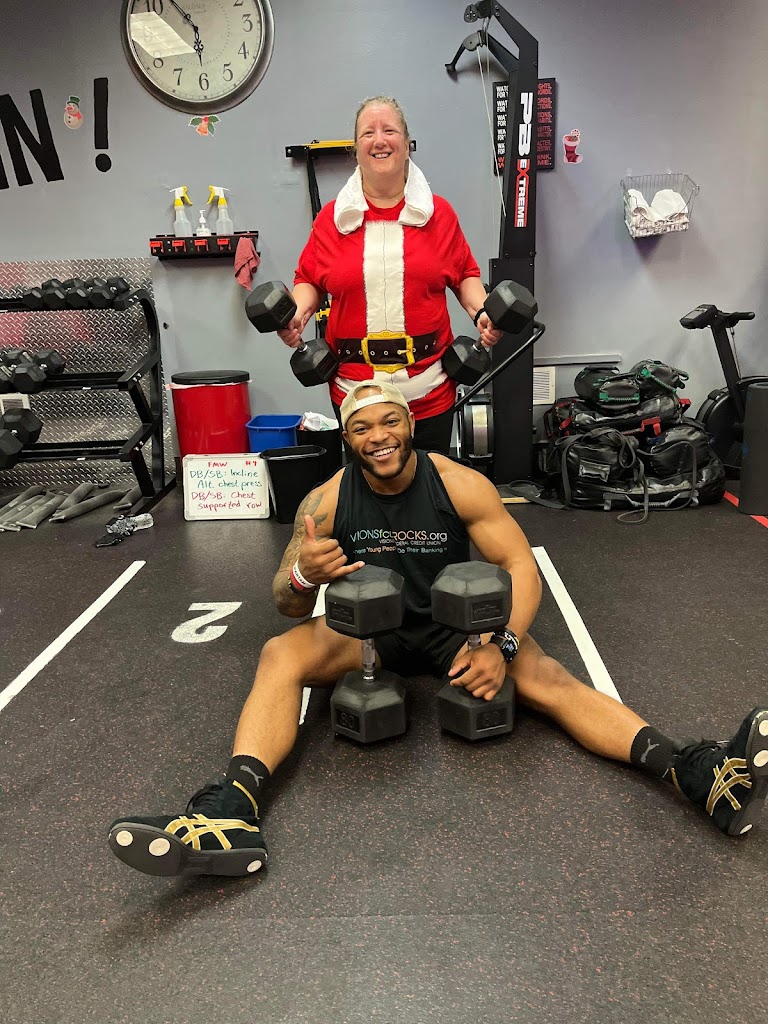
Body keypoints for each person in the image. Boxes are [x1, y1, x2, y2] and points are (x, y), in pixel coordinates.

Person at [109, 381, 768, 878]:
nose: (378, 436)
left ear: (410, 424)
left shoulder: (458, 484)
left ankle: (696, 774)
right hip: (371, 634)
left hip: (459, 628)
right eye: (362, 427)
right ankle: (230, 812)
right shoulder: (327, 500)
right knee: (280, 653)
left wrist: (501, 646)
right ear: (348, 439)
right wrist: (306, 575)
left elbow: (521, 567)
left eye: (389, 421)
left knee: (551, 679)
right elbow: (284, 599)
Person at [275, 95, 504, 456]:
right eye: (368, 133)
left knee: (430, 481)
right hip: (356, 393)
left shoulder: (440, 214)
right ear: (355, 149)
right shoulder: (332, 220)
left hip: (428, 388)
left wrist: (483, 313)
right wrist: (298, 315)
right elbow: (309, 279)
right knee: (367, 488)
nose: (379, 140)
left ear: (407, 144)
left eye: (389, 130)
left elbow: (464, 274)